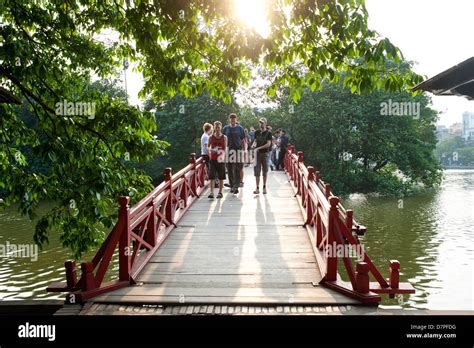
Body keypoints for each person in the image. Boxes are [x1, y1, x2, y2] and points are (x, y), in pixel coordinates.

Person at [223, 113, 246, 194]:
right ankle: (232, 185)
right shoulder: (225, 128)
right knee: (229, 168)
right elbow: (223, 141)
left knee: (237, 168)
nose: (232, 120)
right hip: (228, 150)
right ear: (229, 119)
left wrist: (245, 150)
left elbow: (243, 140)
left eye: (234, 118)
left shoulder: (240, 128)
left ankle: (236, 186)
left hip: (238, 150)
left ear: (236, 119)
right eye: (231, 118)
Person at [252, 117, 272, 194]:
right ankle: (257, 188)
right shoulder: (256, 132)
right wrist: (254, 145)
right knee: (257, 171)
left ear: (265, 124)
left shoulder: (268, 133)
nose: (261, 124)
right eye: (260, 123)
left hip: (265, 154)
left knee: (265, 171)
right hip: (257, 154)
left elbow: (268, 144)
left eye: (262, 123)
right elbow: (255, 141)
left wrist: (259, 148)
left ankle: (264, 186)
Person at [207, 121, 227, 199]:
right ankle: (211, 192)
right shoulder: (211, 137)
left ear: (221, 127)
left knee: (221, 177)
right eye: (216, 127)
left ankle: (220, 192)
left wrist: (223, 154)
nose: (217, 129)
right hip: (212, 159)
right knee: (211, 176)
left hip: (220, 159)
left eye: (218, 127)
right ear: (214, 128)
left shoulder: (224, 137)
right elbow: (208, 147)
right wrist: (211, 150)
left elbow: (225, 148)